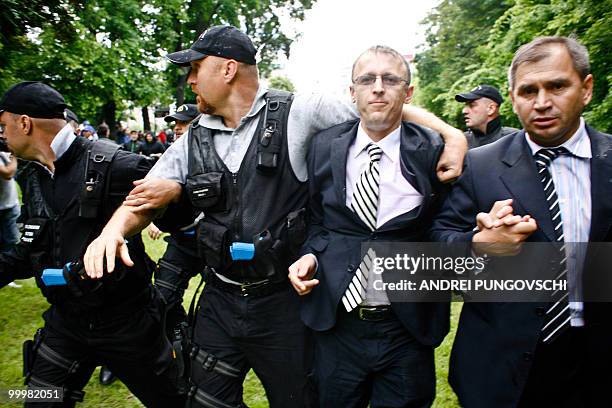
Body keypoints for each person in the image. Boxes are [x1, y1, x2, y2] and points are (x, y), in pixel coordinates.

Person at [83, 25, 467, 408]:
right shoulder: (194, 136)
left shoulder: (301, 112)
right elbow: (145, 196)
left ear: (228, 70)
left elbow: (380, 106)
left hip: (282, 303)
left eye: (197, 68)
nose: (192, 79)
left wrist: (453, 136)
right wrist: (113, 231)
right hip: (218, 297)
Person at [431, 36, 612, 407]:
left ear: (586, 88)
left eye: (557, 86)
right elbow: (438, 241)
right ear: (513, 99)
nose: (542, 102)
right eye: (529, 90)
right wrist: (480, 246)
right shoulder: (481, 166)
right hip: (503, 362)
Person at [0, 81, 184, 407]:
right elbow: (30, 251)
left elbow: (178, 201)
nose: (2, 135)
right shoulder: (32, 177)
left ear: (24, 123)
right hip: (65, 325)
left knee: (171, 402)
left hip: (128, 327)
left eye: (3, 125)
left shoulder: (111, 164)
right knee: (41, 400)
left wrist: (170, 194)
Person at [288, 45, 450, 407]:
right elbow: (318, 220)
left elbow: (443, 225)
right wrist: (311, 255)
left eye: (390, 79)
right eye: (367, 79)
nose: (378, 88)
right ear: (352, 91)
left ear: (407, 93)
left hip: (406, 326)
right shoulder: (323, 147)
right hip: (338, 325)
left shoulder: (433, 150)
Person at [148, 102, 201, 338]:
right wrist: (150, 220)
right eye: (176, 123)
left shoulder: (219, 154)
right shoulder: (167, 157)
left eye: (184, 123)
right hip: (182, 243)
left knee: (223, 306)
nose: (178, 128)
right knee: (162, 297)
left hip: (215, 243)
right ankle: (181, 338)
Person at [455, 84, 517, 148]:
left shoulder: (514, 139)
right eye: (465, 106)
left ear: (491, 109)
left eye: (472, 105)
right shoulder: (461, 142)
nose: (464, 111)